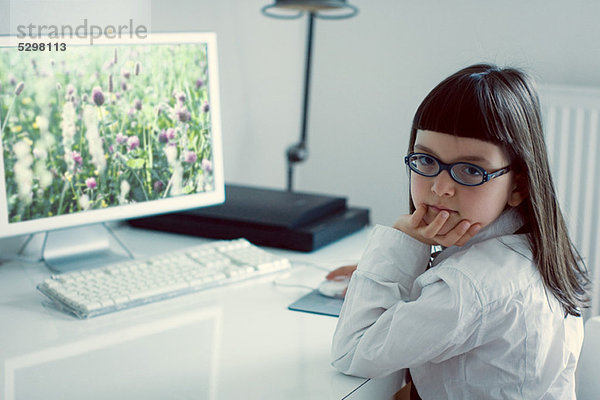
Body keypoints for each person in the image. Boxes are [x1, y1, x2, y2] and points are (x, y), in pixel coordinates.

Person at [329, 63, 590, 399]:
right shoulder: (527, 251)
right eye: (425, 161)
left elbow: (352, 352)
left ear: (518, 185)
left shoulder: (469, 287)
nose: (440, 188)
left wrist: (402, 236)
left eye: (470, 170)